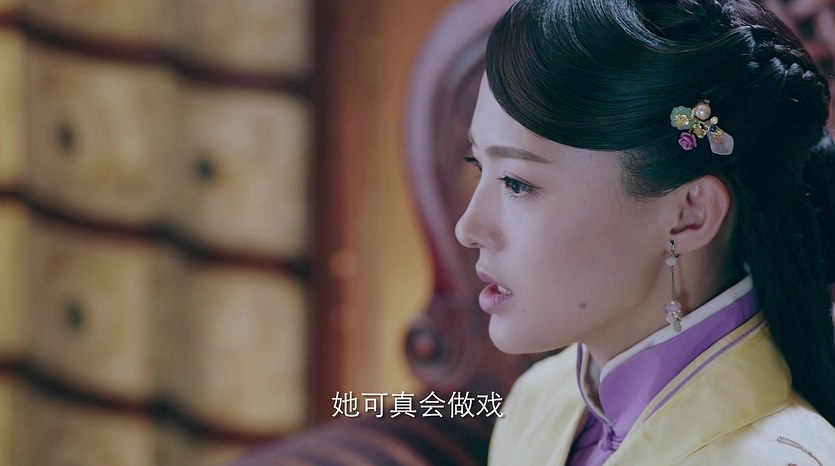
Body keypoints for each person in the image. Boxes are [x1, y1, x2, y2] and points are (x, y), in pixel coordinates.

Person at [454, 0, 835, 463]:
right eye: (478, 165)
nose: (468, 228)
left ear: (690, 215)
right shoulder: (538, 401)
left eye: (517, 183)